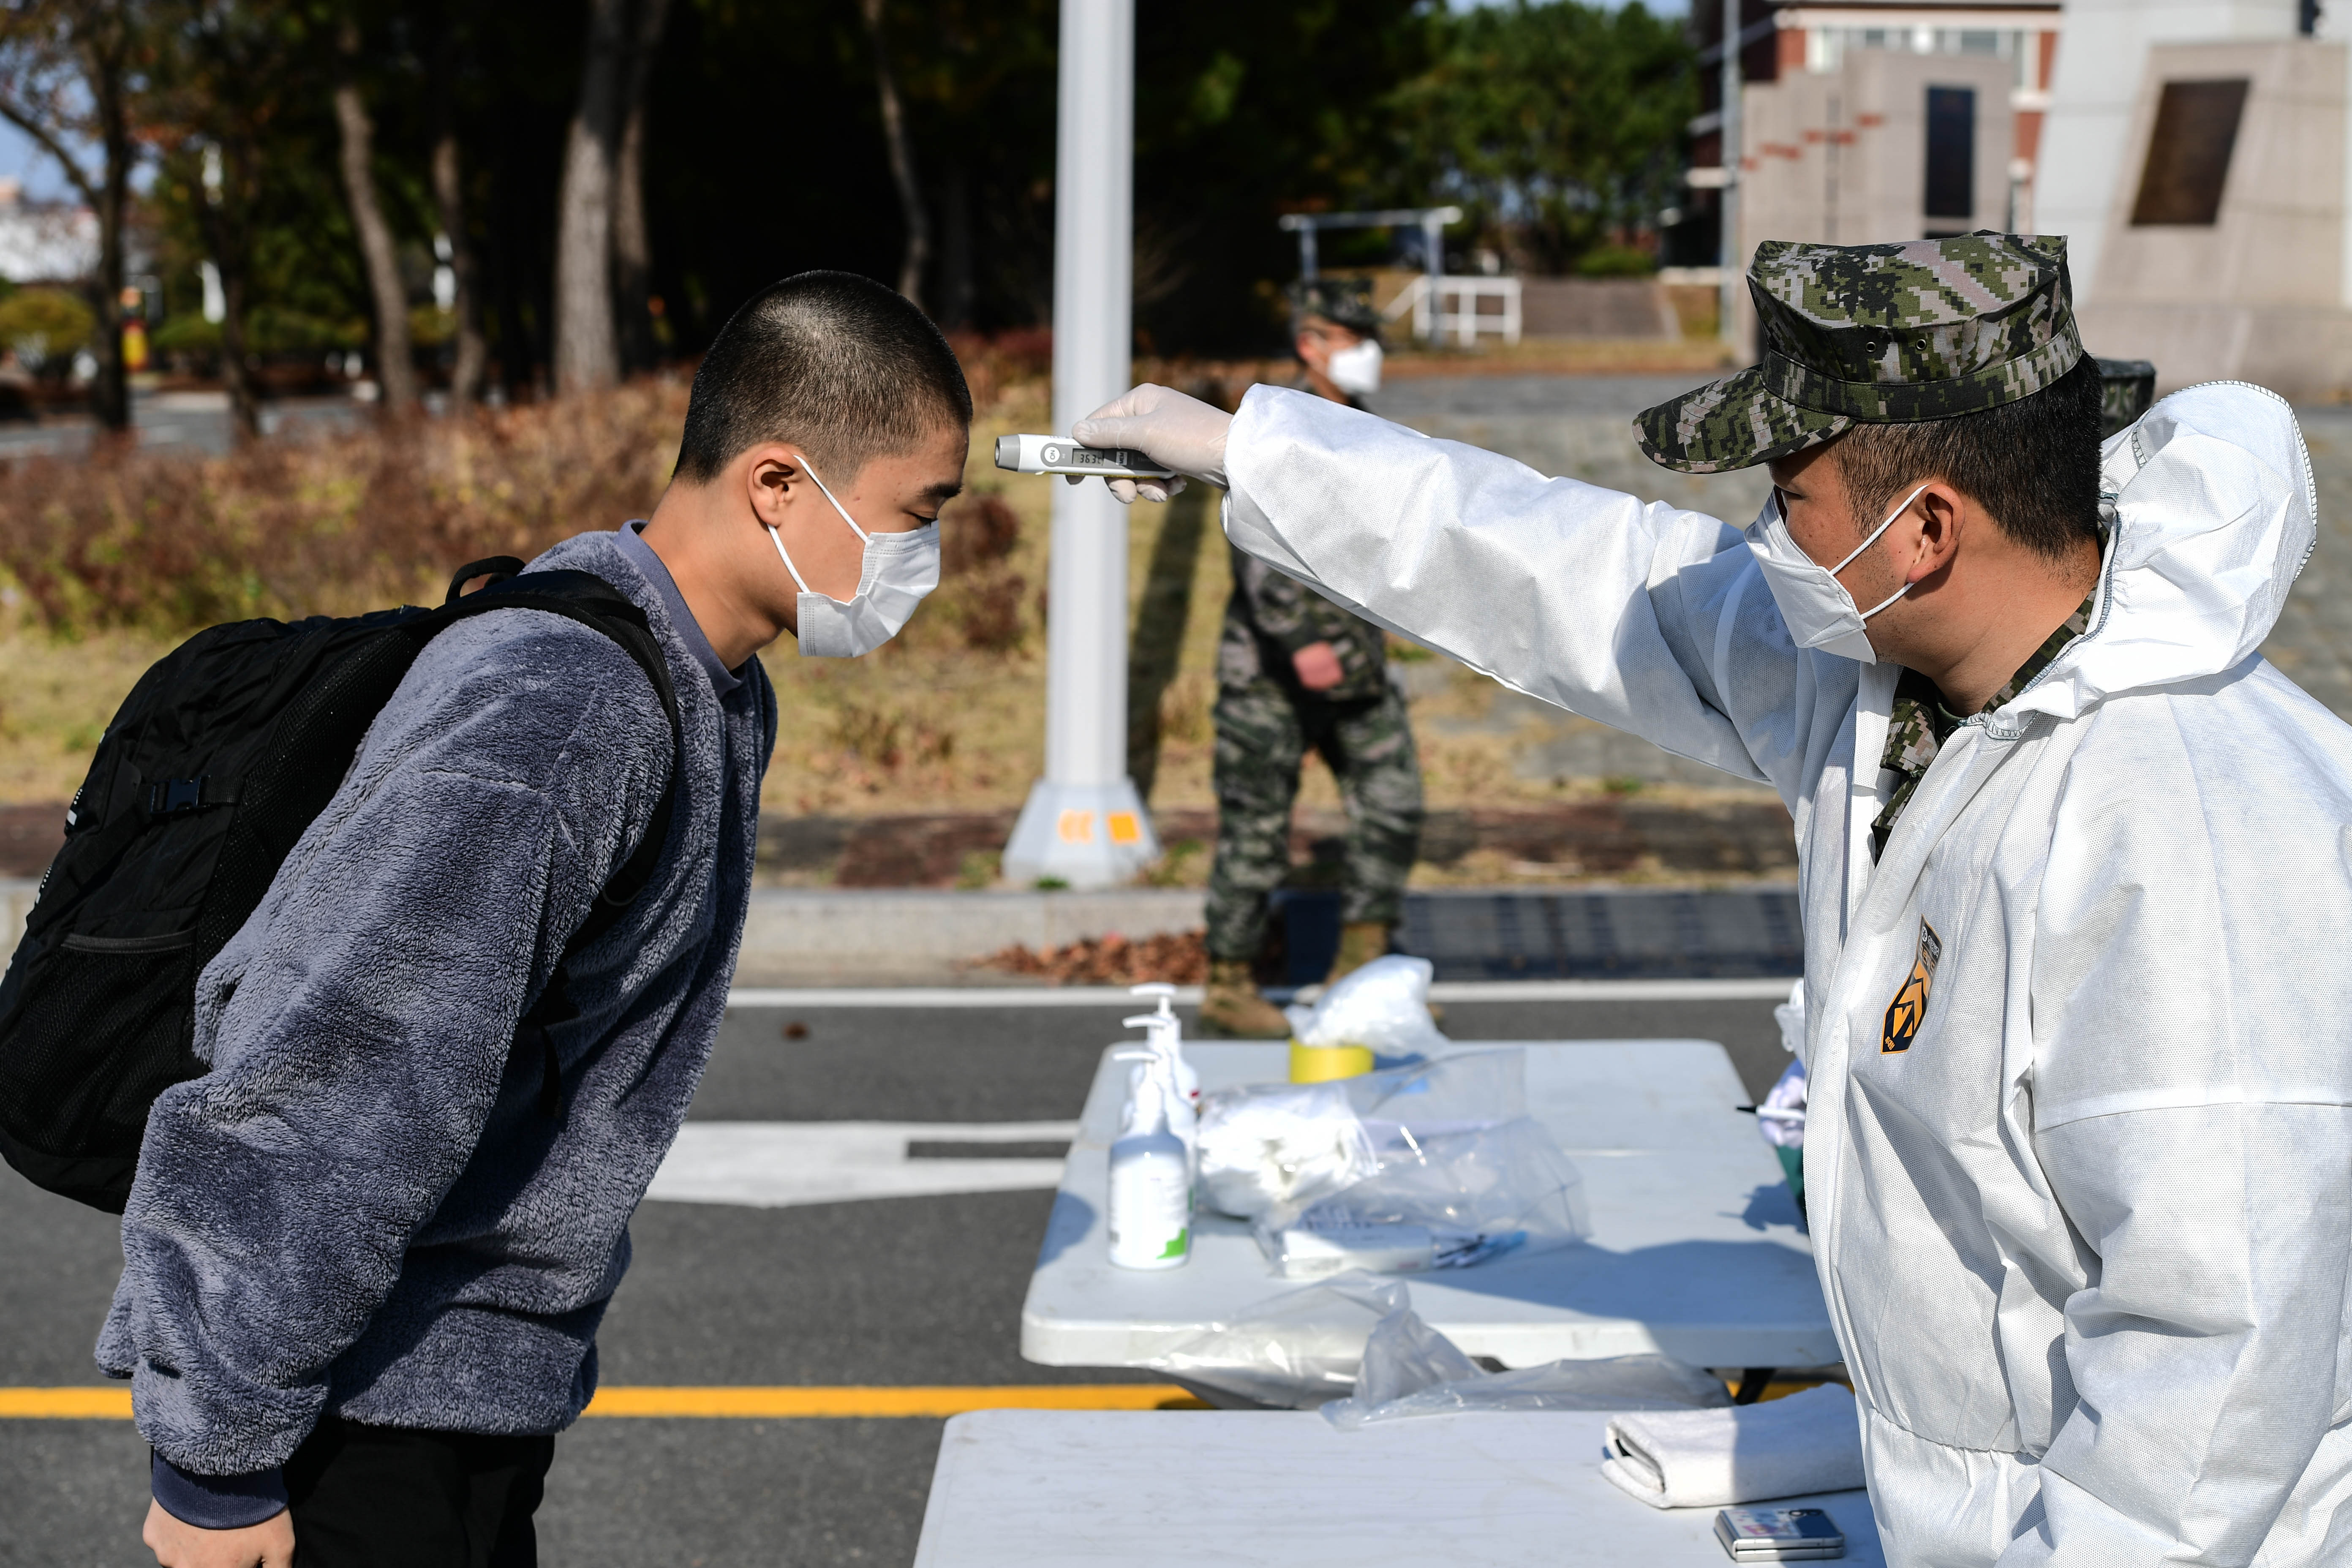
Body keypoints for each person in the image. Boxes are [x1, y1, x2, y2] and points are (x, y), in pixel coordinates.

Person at [1075, 234, 2352, 1566]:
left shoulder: (2191, 822)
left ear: (1925, 529)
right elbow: (1583, 574)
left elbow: (2216, 1361)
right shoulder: (1898, 685)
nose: (1765, 537)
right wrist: (1265, 457)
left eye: (1790, 496)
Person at [120, 270, 968, 1568]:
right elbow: (339, 1070)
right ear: (780, 485)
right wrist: (217, 1466)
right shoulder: (564, 709)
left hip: (459, 1393)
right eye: (920, 515)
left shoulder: (710, 685)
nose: (929, 562)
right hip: (353, 1415)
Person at [1200, 277, 1424, 1039]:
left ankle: (1360, 971)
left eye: (1373, 342)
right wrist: (1301, 643)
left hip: (1355, 667)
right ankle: (1228, 982)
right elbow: (1254, 540)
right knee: (1258, 828)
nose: (1370, 356)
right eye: (1355, 340)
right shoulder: (1273, 423)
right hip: (1271, 670)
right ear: (1312, 344)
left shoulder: (1362, 426)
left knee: (1394, 803)